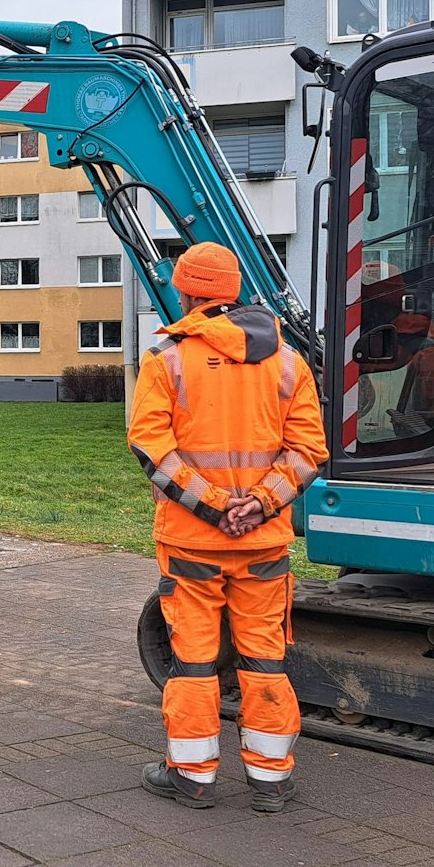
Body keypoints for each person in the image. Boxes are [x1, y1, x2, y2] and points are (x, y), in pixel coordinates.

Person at [129, 242, 327, 812]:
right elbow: (309, 450)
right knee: (265, 656)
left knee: (192, 658)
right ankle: (270, 779)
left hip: (192, 540)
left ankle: (191, 776)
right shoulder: (287, 360)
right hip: (263, 542)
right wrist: (261, 503)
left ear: (188, 292)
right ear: (233, 291)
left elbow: (151, 446)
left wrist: (216, 506)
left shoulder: (166, 357)